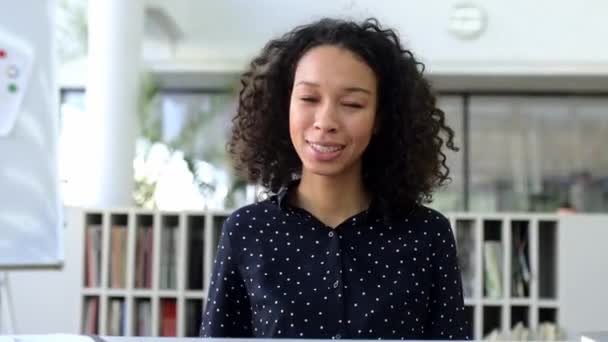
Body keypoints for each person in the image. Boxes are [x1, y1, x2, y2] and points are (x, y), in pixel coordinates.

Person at [200, 17, 470, 340]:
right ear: (284, 106)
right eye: (309, 99)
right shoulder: (247, 231)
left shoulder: (427, 236)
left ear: (379, 119)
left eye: (352, 104)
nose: (325, 121)